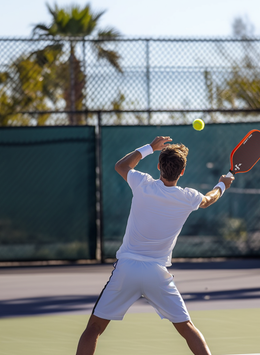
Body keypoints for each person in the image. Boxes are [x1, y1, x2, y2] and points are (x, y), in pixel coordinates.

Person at [76, 136, 234, 355]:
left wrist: (150, 147)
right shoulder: (189, 197)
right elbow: (209, 199)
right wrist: (222, 185)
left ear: (159, 166)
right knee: (187, 329)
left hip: (126, 270)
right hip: (157, 274)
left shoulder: (143, 184)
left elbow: (121, 166)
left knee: (94, 328)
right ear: (182, 171)